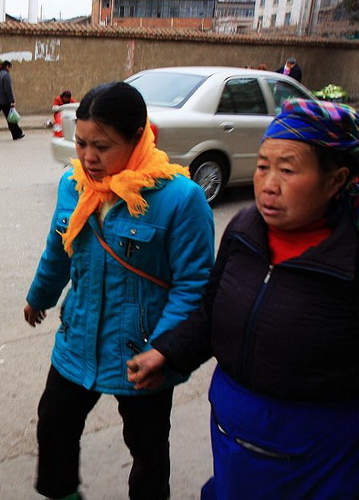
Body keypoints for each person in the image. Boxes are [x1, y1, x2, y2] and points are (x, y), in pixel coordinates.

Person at [127, 99, 359, 499]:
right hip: (232, 429)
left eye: (288, 170)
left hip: (318, 449)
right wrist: (169, 352)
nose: (268, 184)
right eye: (263, 166)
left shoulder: (349, 255)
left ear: (335, 180)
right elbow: (213, 307)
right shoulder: (245, 227)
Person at [24, 82, 215, 500]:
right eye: (80, 143)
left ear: (137, 138)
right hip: (77, 341)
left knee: (147, 449)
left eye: (102, 146)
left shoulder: (181, 198)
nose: (88, 157)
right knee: (54, 427)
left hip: (142, 351)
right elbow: (59, 249)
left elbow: (194, 285)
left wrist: (164, 349)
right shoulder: (73, 185)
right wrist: (39, 296)